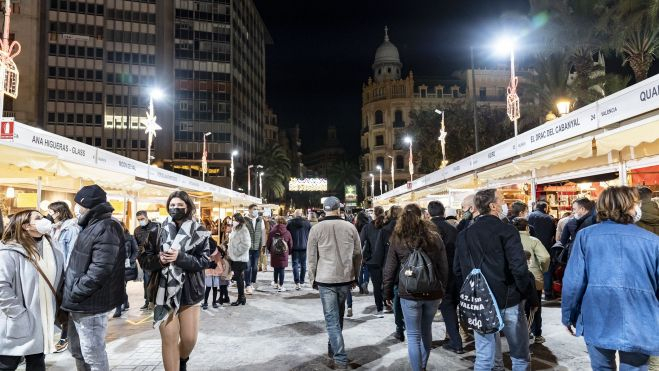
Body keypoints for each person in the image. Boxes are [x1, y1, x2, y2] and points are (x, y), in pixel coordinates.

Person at [562, 186, 659, 370]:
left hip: (597, 314)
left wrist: (568, 315)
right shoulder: (653, 241)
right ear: (630, 206)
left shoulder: (585, 237)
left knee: (601, 367)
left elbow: (574, 282)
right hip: (640, 317)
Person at [454, 189, 533, 371]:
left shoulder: (464, 235)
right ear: (493, 206)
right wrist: (524, 292)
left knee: (484, 357)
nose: (505, 204)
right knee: (520, 356)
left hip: (480, 302)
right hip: (508, 298)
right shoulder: (507, 230)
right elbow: (519, 268)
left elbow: (457, 271)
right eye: (502, 200)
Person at [143, 191, 211, 371]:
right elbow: (144, 259)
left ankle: (181, 360)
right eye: (172, 205)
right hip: (163, 293)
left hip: (190, 290)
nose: (175, 208)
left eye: (180, 205)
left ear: (188, 206)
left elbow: (204, 261)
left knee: (189, 339)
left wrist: (180, 257)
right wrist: (160, 260)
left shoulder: (200, 231)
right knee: (169, 340)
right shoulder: (156, 230)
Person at [62, 184, 126, 371]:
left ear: (87, 205)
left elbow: (100, 269)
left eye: (78, 205)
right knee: (78, 351)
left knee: (93, 354)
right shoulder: (91, 225)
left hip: (91, 303)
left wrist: (76, 290)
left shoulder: (106, 227)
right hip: (80, 302)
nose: (75, 209)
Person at [383, 204, 448, 371]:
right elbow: (443, 266)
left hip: (409, 292)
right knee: (426, 330)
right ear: (423, 216)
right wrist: (443, 288)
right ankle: (423, 366)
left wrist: (387, 292)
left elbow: (389, 267)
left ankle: (417, 369)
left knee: (412, 335)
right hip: (433, 292)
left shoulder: (397, 237)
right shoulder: (434, 236)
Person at [0, 210, 64, 371]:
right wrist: (18, 313)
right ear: (26, 226)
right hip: (17, 320)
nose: (44, 220)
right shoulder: (9, 251)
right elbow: (1, 286)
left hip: (43, 319)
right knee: (7, 363)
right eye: (38, 218)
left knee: (37, 361)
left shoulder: (52, 248)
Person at [307, 196, 362, 370]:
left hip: (325, 279)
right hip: (344, 278)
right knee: (338, 316)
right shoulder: (350, 227)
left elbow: (311, 257)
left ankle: (339, 357)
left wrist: (312, 278)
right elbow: (358, 254)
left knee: (332, 319)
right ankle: (334, 349)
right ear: (339, 209)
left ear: (324, 210)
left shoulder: (316, 229)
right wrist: (355, 276)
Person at [427, 200, 463, 354]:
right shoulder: (453, 228)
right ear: (443, 213)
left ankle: (456, 342)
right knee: (452, 305)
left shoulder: (428, 230)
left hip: (438, 275)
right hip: (455, 273)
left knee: (446, 307)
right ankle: (452, 337)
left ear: (428, 213)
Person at [47, 201, 81, 353]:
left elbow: (72, 254)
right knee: (55, 306)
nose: (49, 215)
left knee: (64, 307)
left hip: (65, 275)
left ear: (59, 212)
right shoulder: (52, 229)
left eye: (52, 212)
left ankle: (65, 336)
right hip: (53, 273)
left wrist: (69, 276)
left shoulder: (71, 229)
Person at [512, 217, 550, 344]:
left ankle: (519, 333)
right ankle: (537, 333)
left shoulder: (510, 240)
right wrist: (542, 269)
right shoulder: (534, 240)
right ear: (527, 227)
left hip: (514, 278)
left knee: (517, 307)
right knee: (535, 306)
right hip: (534, 278)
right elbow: (545, 257)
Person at [373, 205, 405, 341]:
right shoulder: (407, 229)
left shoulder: (384, 230)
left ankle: (399, 328)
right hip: (406, 268)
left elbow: (379, 253)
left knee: (396, 298)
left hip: (390, 268)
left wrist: (381, 270)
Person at [527, 201, 556, 302]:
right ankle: (548, 293)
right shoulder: (549, 218)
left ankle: (533, 291)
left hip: (530, 245)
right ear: (545, 208)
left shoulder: (529, 216)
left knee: (531, 267)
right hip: (545, 246)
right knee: (547, 269)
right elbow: (553, 234)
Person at [360, 206, 386, 315]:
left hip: (372, 260)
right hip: (386, 260)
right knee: (387, 283)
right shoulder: (387, 226)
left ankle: (379, 308)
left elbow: (361, 243)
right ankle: (388, 304)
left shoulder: (367, 227)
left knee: (376, 286)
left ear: (374, 214)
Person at [134, 210, 161, 310]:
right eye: (139, 219)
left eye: (142, 219)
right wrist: (139, 257)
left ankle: (157, 301)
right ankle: (148, 301)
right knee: (146, 281)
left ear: (146, 217)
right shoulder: (137, 230)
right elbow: (136, 245)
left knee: (157, 280)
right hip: (145, 260)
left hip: (156, 257)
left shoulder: (156, 226)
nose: (141, 221)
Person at [113, 221, 138, 318]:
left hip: (127, 266)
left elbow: (136, 251)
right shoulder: (113, 238)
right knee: (120, 286)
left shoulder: (130, 237)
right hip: (116, 266)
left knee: (121, 286)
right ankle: (122, 304)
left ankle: (121, 305)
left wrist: (130, 260)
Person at [228, 213, 251, 306]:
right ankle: (242, 297)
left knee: (239, 278)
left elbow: (246, 244)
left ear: (238, 220)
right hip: (235, 258)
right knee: (239, 278)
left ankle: (241, 297)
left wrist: (236, 252)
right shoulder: (236, 229)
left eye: (234, 220)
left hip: (240, 258)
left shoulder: (243, 230)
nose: (232, 221)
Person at [287, 209, 312, 290]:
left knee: (295, 264)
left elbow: (287, 234)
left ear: (295, 214)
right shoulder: (307, 223)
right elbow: (311, 234)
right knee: (303, 264)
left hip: (294, 246)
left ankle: (297, 282)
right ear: (302, 214)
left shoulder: (290, 223)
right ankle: (302, 281)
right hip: (305, 246)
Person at [267, 216, 293, 292]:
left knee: (275, 269)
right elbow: (290, 243)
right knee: (282, 270)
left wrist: (270, 250)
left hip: (274, 253)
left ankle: (275, 283)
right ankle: (281, 286)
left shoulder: (272, 232)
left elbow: (268, 243)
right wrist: (289, 252)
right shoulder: (287, 232)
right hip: (283, 253)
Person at [244, 204, 266, 295]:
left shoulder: (260, 220)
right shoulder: (245, 220)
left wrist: (263, 245)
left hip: (257, 247)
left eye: (257, 209)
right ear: (249, 210)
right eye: (254, 209)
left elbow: (263, 233)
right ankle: (247, 285)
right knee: (248, 267)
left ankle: (252, 282)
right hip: (247, 248)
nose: (256, 210)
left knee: (255, 267)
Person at [203, 238, 224, 309]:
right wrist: (208, 264)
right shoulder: (206, 250)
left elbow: (220, 260)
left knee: (215, 288)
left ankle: (214, 302)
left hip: (215, 272)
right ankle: (205, 302)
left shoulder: (217, 251)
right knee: (208, 288)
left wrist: (216, 264)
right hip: (209, 272)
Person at [354, 211, 371, 295]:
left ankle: (361, 289)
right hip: (367, 249)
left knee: (360, 270)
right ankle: (366, 283)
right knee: (367, 268)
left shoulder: (355, 226)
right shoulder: (368, 226)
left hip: (358, 249)